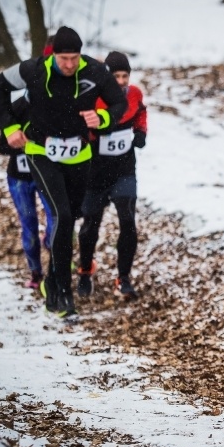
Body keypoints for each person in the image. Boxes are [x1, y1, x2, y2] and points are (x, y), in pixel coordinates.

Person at [0, 26, 127, 319]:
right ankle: (61, 295)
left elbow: (120, 102)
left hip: (80, 153)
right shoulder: (34, 70)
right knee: (62, 216)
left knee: (72, 217)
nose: (69, 65)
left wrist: (102, 117)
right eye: (64, 59)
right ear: (54, 55)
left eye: (74, 58)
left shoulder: (95, 71)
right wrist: (11, 128)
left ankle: (52, 280)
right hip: (42, 153)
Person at [76, 51, 147, 300]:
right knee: (90, 227)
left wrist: (140, 132)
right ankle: (85, 270)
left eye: (124, 75)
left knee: (127, 221)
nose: (120, 81)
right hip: (95, 173)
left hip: (124, 170)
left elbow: (141, 112)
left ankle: (123, 277)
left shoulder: (135, 94)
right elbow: (80, 124)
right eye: (115, 75)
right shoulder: (94, 98)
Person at [0, 93, 53, 290]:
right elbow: (2, 146)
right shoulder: (18, 107)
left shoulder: (55, 103)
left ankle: (51, 245)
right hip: (20, 178)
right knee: (29, 227)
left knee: (56, 221)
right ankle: (36, 272)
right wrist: (22, 143)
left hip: (46, 175)